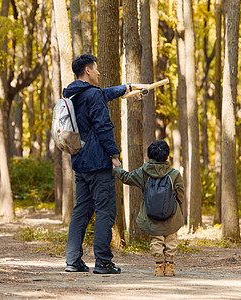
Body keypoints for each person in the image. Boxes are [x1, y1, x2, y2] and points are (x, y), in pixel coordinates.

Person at [63, 54, 149, 274]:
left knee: (81, 210)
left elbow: (104, 94)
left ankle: (73, 261)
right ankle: (103, 262)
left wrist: (129, 87)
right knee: (105, 211)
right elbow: (103, 126)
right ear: (88, 71)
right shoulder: (92, 95)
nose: (100, 72)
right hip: (98, 162)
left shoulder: (73, 94)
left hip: (79, 161)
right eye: (96, 68)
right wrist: (114, 155)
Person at [113, 140, 185, 276]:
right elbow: (180, 194)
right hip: (172, 213)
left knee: (156, 239)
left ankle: (158, 267)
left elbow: (127, 177)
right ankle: (169, 267)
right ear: (167, 156)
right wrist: (180, 210)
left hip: (150, 213)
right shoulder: (174, 174)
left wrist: (116, 169)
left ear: (150, 156)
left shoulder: (144, 172)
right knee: (171, 239)